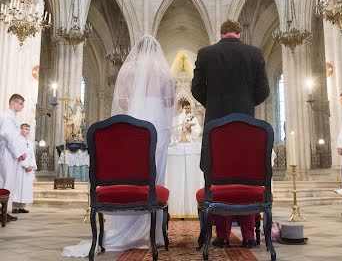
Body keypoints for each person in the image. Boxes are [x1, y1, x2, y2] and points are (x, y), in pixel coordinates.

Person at [63, 35, 175, 257]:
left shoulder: (129, 69)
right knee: (153, 175)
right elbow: (170, 101)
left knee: (130, 172)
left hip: (133, 120)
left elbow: (122, 101)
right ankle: (152, 232)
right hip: (158, 125)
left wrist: (137, 104)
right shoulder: (162, 70)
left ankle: (124, 228)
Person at [191, 19, 270, 249]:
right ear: (239, 33)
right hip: (247, 124)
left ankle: (223, 236)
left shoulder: (206, 53)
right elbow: (264, 89)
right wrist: (246, 103)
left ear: (221, 33)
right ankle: (249, 236)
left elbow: (196, 87)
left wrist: (213, 103)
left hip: (216, 123)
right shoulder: (254, 54)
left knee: (217, 177)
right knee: (246, 177)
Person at [0, 94, 27, 223]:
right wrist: (19, 153)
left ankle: (5, 211)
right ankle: (2, 212)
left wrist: (20, 152)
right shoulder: (7, 117)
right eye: (21, 103)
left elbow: (16, 138)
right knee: (5, 182)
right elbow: (8, 136)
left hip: (10, 154)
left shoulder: (13, 117)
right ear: (13, 103)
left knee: (9, 183)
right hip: (6, 153)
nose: (23, 106)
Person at [12, 123, 37, 214]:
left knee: (26, 187)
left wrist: (31, 165)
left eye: (28, 129)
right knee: (18, 186)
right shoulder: (18, 140)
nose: (27, 131)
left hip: (28, 168)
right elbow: (18, 154)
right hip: (20, 167)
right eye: (26, 129)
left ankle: (22, 206)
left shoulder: (30, 142)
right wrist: (26, 165)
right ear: (21, 129)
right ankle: (15, 207)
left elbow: (32, 155)